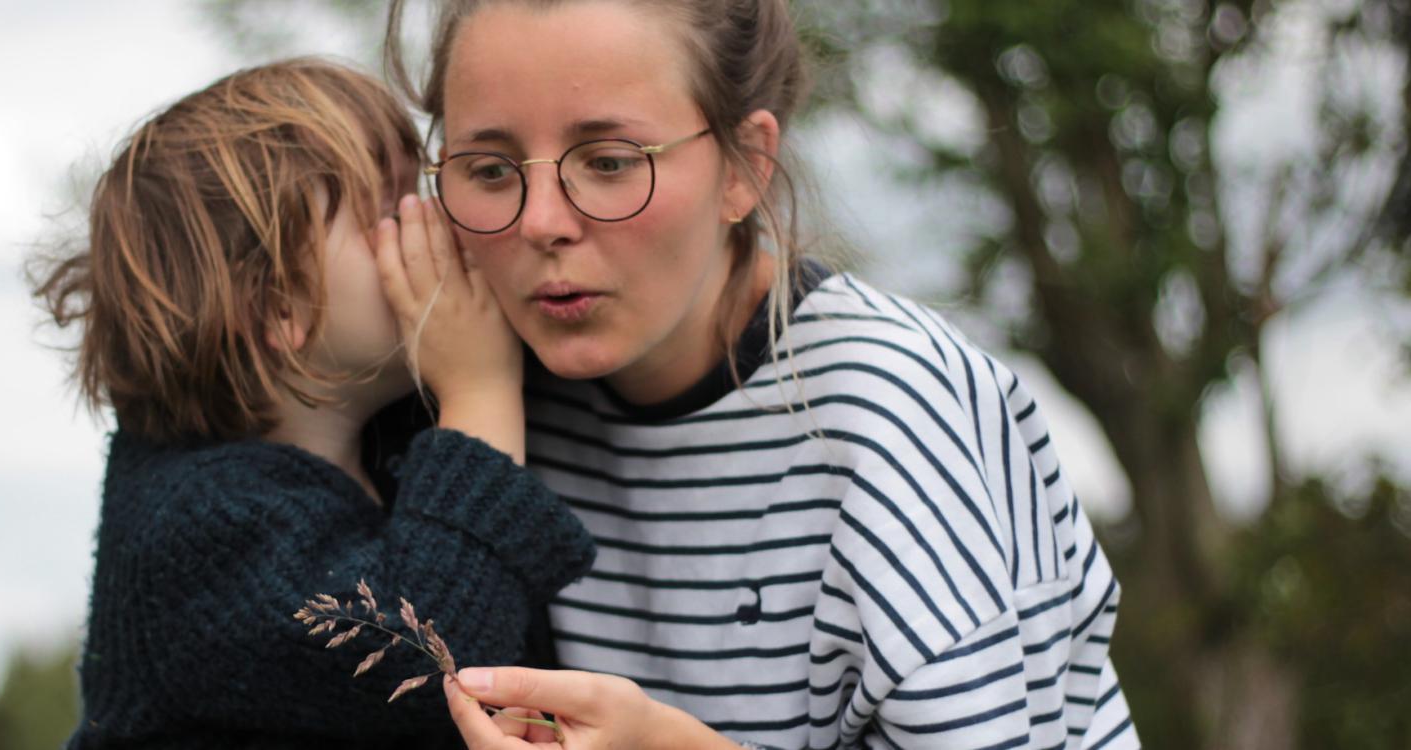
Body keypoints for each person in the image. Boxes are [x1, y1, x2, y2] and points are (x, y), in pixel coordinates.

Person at [379, 1, 1141, 747]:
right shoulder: (479, 399)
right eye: (488, 169)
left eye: (610, 162)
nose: (541, 220)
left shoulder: (893, 409)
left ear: (746, 166)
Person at [31, 58, 596, 748]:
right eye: (388, 213)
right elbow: (438, 661)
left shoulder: (381, 439)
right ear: (273, 305)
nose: (435, 222)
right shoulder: (191, 532)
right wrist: (480, 388)